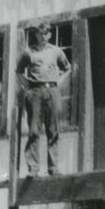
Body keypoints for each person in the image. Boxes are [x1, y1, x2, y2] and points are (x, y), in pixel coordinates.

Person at [16, 22, 70, 177]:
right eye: (40, 33)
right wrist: (24, 82)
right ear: (36, 35)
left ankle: (53, 168)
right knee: (34, 130)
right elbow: (18, 70)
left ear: (50, 35)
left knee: (53, 129)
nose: (43, 36)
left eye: (46, 33)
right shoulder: (29, 52)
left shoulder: (56, 51)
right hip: (35, 92)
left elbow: (67, 68)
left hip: (52, 91)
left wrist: (58, 82)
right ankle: (33, 169)